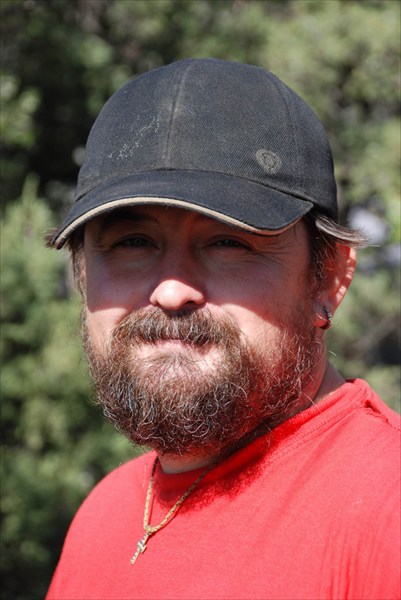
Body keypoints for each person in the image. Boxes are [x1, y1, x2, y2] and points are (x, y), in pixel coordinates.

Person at [46, 58, 400, 600]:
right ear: (81, 275)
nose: (171, 291)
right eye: (132, 242)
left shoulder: (385, 512)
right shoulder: (102, 514)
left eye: (229, 242)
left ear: (328, 277)